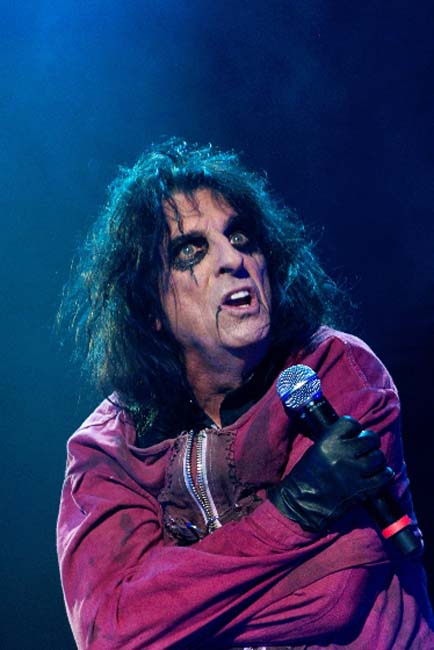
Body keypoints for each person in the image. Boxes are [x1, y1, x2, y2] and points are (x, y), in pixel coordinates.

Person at [57, 139, 434, 649]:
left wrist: (172, 614)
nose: (232, 258)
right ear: (148, 306)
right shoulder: (107, 448)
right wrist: (292, 512)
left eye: (240, 236)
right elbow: (111, 632)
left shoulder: (336, 369)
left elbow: (331, 597)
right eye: (191, 250)